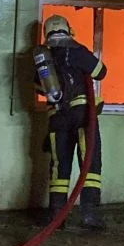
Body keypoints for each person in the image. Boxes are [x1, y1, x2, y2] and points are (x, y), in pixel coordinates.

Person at [34, 15, 107, 230]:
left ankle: (58, 217)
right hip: (84, 115)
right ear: (68, 29)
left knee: (59, 166)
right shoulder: (77, 50)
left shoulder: (43, 58)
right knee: (90, 162)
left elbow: (40, 88)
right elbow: (101, 72)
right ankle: (89, 215)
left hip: (57, 118)